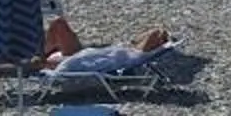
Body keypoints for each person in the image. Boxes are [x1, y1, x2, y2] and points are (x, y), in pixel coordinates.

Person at [40, 25, 174, 75]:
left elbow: (157, 32)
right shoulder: (133, 53)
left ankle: (38, 56)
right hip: (74, 57)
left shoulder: (135, 56)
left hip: (73, 59)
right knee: (58, 25)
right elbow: (157, 33)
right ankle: (39, 54)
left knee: (58, 24)